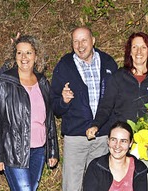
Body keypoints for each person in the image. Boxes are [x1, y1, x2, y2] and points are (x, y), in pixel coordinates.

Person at [91, 32, 148, 191]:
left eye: (143, 47)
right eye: (135, 47)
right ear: (129, 51)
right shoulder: (119, 76)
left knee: (145, 183)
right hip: (122, 141)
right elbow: (106, 105)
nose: (139, 52)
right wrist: (96, 125)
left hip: (147, 143)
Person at [50, 26, 118, 191]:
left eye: (84, 40)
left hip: (102, 137)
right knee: (72, 186)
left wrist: (112, 129)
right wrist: (63, 101)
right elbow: (54, 106)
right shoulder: (64, 65)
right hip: (75, 138)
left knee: (98, 185)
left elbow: (116, 99)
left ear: (93, 41)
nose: (80, 45)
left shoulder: (108, 63)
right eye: (76, 41)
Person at [0, 35, 59, 191]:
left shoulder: (42, 82)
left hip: (39, 150)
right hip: (13, 150)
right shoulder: (4, 81)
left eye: (28, 52)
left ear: (36, 55)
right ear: (15, 56)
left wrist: (52, 150)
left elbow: (49, 120)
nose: (24, 57)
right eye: (19, 53)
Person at [83, 121, 148, 191]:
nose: (117, 145)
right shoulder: (96, 167)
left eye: (123, 141)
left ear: (130, 143)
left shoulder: (139, 169)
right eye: (113, 139)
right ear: (108, 141)